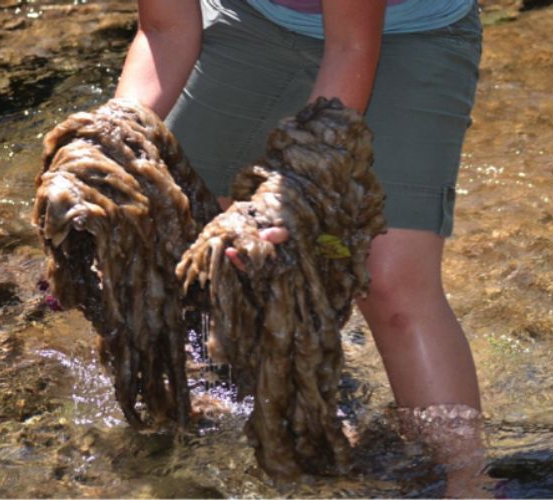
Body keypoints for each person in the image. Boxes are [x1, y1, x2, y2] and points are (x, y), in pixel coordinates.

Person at [115, 0, 483, 460]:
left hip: (405, 35)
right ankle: (232, 406)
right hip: (251, 20)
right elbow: (165, 30)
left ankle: (466, 480)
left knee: (390, 279)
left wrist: (296, 191)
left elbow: (351, 47)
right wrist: (110, 136)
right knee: (175, 219)